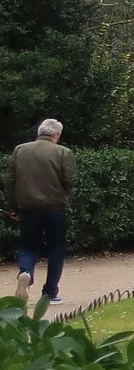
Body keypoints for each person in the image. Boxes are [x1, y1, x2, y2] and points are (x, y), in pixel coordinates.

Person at [11, 118, 76, 312]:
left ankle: (26, 273)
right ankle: (50, 293)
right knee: (56, 248)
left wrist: (13, 206)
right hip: (54, 207)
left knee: (28, 246)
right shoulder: (63, 152)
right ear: (56, 135)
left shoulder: (20, 150)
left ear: (40, 132)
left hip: (28, 207)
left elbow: (10, 181)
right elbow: (70, 181)